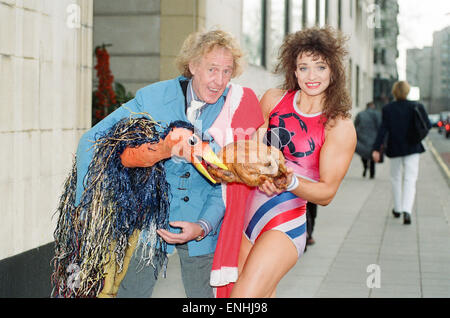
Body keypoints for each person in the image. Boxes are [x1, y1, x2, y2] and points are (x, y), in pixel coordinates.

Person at [74, 29, 264, 298]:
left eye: (226, 71)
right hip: (151, 221)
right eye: (212, 69)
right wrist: (85, 212)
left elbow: (228, 183)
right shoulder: (153, 99)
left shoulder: (235, 108)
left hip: (204, 221)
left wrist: (202, 226)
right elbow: (93, 140)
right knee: (132, 293)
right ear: (192, 65)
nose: (219, 80)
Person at [229, 26, 356, 298]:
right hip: (246, 216)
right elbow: (248, 152)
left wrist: (291, 181)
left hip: (285, 224)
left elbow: (327, 193)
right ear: (294, 71)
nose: (312, 76)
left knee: (241, 298)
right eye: (304, 67)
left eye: (320, 67)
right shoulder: (273, 100)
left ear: (333, 70)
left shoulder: (339, 126)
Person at [372, 80, 431, 225]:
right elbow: (427, 125)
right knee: (410, 180)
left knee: (395, 178)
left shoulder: (388, 109)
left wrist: (375, 149)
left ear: (394, 92)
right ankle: (407, 211)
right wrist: (417, 137)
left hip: (395, 148)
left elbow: (383, 130)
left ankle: (397, 208)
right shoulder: (416, 106)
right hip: (413, 148)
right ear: (407, 91)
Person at [354, 101, 382, 179]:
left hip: (362, 138)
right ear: (373, 106)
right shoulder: (377, 114)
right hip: (374, 138)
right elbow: (380, 127)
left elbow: (355, 126)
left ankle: (365, 167)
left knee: (363, 154)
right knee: (373, 154)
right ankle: (372, 173)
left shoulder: (360, 114)